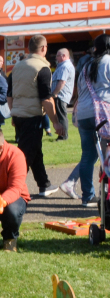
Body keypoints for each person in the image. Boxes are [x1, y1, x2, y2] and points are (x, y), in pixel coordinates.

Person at [7, 34, 66, 197]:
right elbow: (46, 98)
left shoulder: (17, 67)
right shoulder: (42, 68)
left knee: (35, 151)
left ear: (29, 49)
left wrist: (13, 113)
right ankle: (12, 188)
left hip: (19, 114)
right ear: (44, 49)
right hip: (32, 115)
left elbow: (10, 94)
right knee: (24, 156)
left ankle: (44, 184)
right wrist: (55, 122)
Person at [60, 35, 110, 206]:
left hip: (84, 113)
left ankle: (88, 196)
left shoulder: (87, 66)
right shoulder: (108, 62)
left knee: (88, 155)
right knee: (107, 154)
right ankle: (106, 195)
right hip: (104, 114)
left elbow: (80, 91)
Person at [51, 48, 75, 141]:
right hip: (61, 95)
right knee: (60, 114)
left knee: (61, 115)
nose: (56, 57)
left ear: (63, 56)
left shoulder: (65, 66)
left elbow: (62, 82)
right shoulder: (63, 65)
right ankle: (62, 134)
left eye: (57, 55)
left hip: (60, 95)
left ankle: (63, 135)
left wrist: (54, 93)